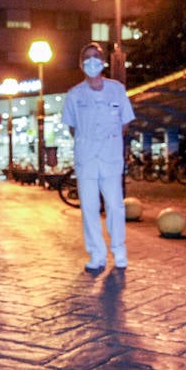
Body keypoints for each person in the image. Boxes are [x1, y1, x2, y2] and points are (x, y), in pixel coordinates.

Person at [61, 42, 135, 271]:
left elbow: (125, 122)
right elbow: (72, 128)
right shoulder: (74, 95)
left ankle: (119, 251)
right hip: (86, 160)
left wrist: (108, 141)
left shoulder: (117, 89)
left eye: (96, 56)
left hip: (111, 159)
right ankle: (96, 254)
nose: (92, 61)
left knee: (115, 206)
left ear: (103, 62)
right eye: (87, 57)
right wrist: (90, 141)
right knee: (89, 208)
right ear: (81, 64)